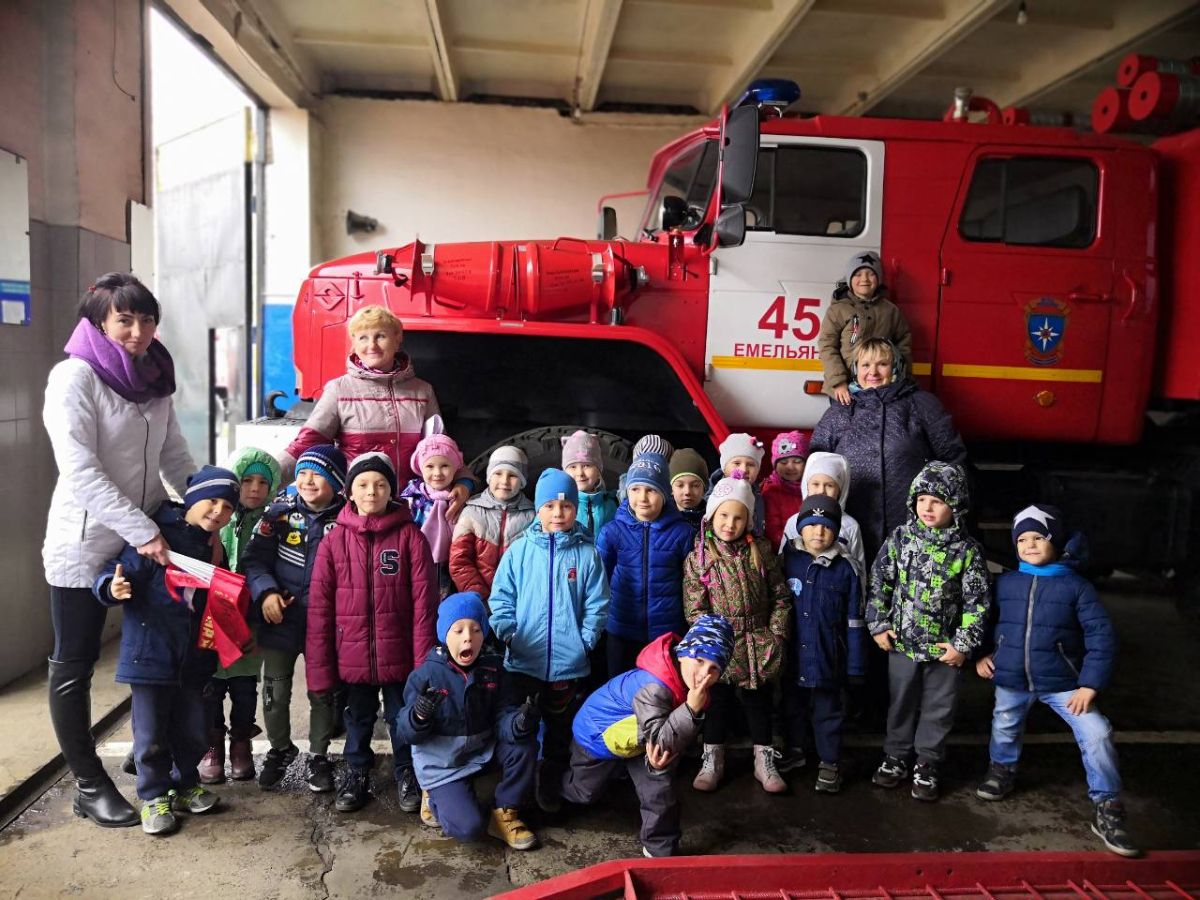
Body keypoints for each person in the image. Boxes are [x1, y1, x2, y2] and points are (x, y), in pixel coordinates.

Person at [42, 273, 195, 828]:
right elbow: (80, 471)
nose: (138, 331)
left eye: (146, 320)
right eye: (124, 320)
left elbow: (175, 455)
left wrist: (209, 501)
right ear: (101, 323)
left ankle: (149, 754)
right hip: (87, 544)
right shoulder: (74, 377)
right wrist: (145, 531)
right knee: (75, 665)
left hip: (145, 539)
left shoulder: (155, 376)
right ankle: (88, 782)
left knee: (158, 656)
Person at [974, 505, 1137, 857]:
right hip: (1013, 679)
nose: (1029, 545)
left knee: (1097, 732)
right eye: (1022, 538)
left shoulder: (1076, 587)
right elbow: (988, 623)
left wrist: (1089, 685)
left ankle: (1107, 805)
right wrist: (985, 654)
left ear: (1057, 543)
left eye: (1038, 537)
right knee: (1005, 724)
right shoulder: (1006, 583)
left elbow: (1101, 636)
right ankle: (1002, 768)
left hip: (1065, 684)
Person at [93, 466, 242, 835]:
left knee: (194, 729)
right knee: (150, 734)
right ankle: (154, 795)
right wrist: (110, 590)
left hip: (194, 659)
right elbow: (114, 575)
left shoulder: (213, 546)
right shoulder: (154, 538)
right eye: (212, 501)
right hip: (149, 657)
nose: (219, 512)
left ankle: (185, 783)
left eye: (227, 507)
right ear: (192, 501)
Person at [306, 452, 438, 814]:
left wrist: (423, 662)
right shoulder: (334, 541)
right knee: (357, 718)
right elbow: (320, 609)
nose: (371, 492)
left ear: (391, 492)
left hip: (399, 657)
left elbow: (424, 605)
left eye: (380, 485)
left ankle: (407, 772)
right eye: (363, 485)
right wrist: (321, 669)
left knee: (402, 718)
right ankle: (357, 772)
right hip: (353, 657)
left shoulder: (411, 537)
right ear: (349, 492)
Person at [867, 461, 990, 802]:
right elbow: (880, 583)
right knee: (901, 702)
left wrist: (963, 645)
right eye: (922, 500)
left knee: (939, 706)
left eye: (938, 501)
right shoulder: (901, 540)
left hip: (944, 650)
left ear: (956, 505)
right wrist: (879, 624)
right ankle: (895, 757)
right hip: (902, 645)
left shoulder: (967, 551)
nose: (928, 508)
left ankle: (927, 762)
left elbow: (976, 603)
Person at [488, 469, 610, 813]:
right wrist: (509, 632)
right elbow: (501, 598)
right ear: (538, 510)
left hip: (568, 665)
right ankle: (517, 787)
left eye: (567, 506)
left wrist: (584, 641)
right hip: (524, 660)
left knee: (559, 729)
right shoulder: (519, 551)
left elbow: (597, 604)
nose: (558, 514)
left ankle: (550, 781)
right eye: (550, 507)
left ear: (575, 509)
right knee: (521, 726)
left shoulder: (588, 554)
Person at [561, 615, 733, 858]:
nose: (703, 674)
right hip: (597, 734)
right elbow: (664, 738)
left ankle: (660, 850)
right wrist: (690, 710)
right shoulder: (654, 687)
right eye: (700, 659)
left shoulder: (691, 688)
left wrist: (662, 756)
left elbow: (665, 744)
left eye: (714, 668)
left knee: (660, 784)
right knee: (583, 792)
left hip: (643, 741)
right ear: (683, 652)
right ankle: (547, 778)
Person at [281, 305, 472, 515]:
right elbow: (306, 445)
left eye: (380, 336)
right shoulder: (338, 390)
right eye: (362, 338)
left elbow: (441, 450)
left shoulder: (422, 391)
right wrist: (266, 480)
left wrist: (464, 481)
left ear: (398, 339)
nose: (371, 345)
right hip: (358, 512)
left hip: (409, 512)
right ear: (354, 343)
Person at [240, 445, 347, 793]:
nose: (307, 480)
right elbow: (254, 560)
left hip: (324, 625)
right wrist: (267, 592)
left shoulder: (348, 519)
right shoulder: (277, 515)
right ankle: (280, 748)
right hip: (280, 620)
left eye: (317, 473)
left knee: (323, 692)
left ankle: (319, 754)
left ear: (336, 480)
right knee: (274, 690)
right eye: (302, 472)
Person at [397, 593, 540, 850]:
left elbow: (502, 716)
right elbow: (406, 734)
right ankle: (433, 793)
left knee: (524, 742)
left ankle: (504, 811)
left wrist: (518, 722)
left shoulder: (494, 669)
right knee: (469, 828)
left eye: (476, 629)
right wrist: (418, 716)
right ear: (444, 634)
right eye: (458, 629)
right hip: (442, 764)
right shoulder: (426, 675)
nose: (467, 637)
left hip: (481, 752)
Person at [810, 338, 965, 568]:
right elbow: (815, 466)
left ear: (895, 367)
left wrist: (947, 511)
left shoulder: (920, 404)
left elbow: (953, 458)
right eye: (865, 365)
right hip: (851, 529)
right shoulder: (840, 412)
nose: (873, 372)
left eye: (882, 364)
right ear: (855, 370)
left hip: (913, 527)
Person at [683, 473, 791, 794]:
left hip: (758, 641)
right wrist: (710, 647)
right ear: (711, 516)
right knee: (717, 702)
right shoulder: (700, 558)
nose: (730, 524)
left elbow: (780, 596)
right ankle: (712, 758)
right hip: (721, 645)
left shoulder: (762, 551)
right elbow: (695, 608)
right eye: (723, 516)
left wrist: (776, 635)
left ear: (749, 519)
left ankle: (764, 760)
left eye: (738, 517)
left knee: (759, 702)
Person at [199, 446, 281, 785]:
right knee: (211, 687)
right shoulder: (218, 519)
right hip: (212, 617)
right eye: (247, 480)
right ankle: (213, 745)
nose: (254, 489)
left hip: (250, 621)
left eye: (264, 482)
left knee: (245, 686)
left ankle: (241, 745)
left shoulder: (274, 523)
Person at [779, 494, 867, 791]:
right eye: (812, 525)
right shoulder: (786, 561)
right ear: (799, 527)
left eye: (827, 527)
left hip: (829, 660)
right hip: (791, 659)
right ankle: (795, 751)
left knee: (828, 713)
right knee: (792, 709)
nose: (819, 532)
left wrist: (855, 666)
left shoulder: (846, 569)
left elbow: (855, 621)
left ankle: (830, 762)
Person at [597, 453, 694, 677]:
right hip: (621, 630)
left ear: (664, 494)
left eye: (651, 490)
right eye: (635, 489)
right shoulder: (612, 533)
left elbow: (692, 584)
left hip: (666, 633)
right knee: (619, 689)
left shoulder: (683, 534)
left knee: (662, 690)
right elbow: (600, 581)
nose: (642, 497)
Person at [817, 250, 912, 406]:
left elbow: (904, 344)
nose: (864, 279)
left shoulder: (891, 310)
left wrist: (903, 379)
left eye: (870, 274)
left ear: (879, 279)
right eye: (858, 274)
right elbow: (827, 346)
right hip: (845, 389)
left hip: (883, 389)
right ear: (849, 279)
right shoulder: (838, 310)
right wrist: (838, 382)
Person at [449, 446, 534, 599]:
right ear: (489, 476)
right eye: (498, 473)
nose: (504, 481)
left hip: (516, 601)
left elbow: (534, 564)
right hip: (480, 600)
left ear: (522, 481)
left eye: (513, 475)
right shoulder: (472, 513)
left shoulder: (532, 517)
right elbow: (459, 562)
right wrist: (478, 596)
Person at [399, 416, 464, 597]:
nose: (437, 473)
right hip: (417, 559)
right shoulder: (413, 497)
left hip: (449, 561)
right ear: (420, 468)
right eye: (430, 466)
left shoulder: (459, 498)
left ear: (455, 467)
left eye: (444, 466)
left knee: (444, 596)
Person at [780, 452, 866, 582]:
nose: (821, 491)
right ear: (806, 486)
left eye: (830, 485)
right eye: (815, 484)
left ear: (840, 490)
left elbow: (859, 570)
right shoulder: (793, 522)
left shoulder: (850, 526)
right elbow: (781, 563)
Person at [707, 433, 768, 537]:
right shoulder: (714, 496)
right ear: (724, 468)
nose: (743, 470)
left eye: (751, 464)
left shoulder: (757, 492)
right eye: (737, 463)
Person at [561, 429, 617, 537]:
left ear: (598, 470)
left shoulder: (613, 505)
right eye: (573, 467)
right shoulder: (557, 505)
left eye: (587, 465)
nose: (580, 473)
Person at [761, 430, 810, 550]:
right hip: (784, 550)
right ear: (775, 464)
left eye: (797, 461)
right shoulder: (771, 491)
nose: (790, 467)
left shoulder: (813, 486)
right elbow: (772, 531)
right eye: (783, 462)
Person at [668, 448, 708, 532]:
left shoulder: (712, 518)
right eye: (680, 485)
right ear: (671, 488)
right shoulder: (662, 518)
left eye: (695, 485)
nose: (687, 492)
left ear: (704, 489)